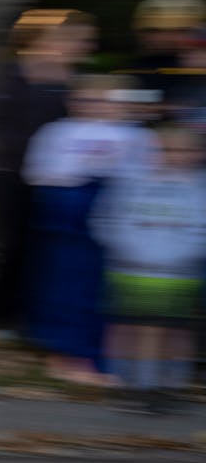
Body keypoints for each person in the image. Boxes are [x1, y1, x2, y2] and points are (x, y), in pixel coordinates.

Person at [0, 9, 95, 339]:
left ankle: (34, 315)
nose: (86, 45)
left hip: (58, 180)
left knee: (44, 247)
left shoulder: (76, 82)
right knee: (16, 244)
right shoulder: (12, 76)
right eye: (78, 38)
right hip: (12, 176)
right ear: (47, 38)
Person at [22, 73, 155, 385]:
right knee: (66, 285)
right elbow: (38, 172)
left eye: (107, 100)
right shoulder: (57, 131)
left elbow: (144, 174)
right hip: (68, 213)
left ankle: (96, 353)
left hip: (117, 211)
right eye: (87, 99)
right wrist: (79, 179)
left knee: (104, 288)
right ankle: (63, 352)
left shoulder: (137, 136)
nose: (96, 106)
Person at [91, 120, 206, 412]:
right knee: (130, 328)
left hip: (179, 274)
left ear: (197, 153)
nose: (172, 155)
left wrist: (182, 253)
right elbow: (106, 218)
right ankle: (129, 383)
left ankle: (168, 384)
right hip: (131, 269)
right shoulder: (131, 182)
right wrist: (124, 246)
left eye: (182, 150)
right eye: (164, 149)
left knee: (173, 331)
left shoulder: (200, 187)